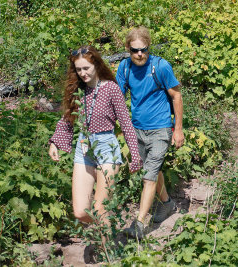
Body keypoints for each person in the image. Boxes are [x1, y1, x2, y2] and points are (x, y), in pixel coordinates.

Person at [48, 45, 142, 228]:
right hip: (84, 149)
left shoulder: (111, 89)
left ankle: (108, 252)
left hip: (107, 148)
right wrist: (55, 143)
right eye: (79, 69)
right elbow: (67, 118)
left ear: (96, 65)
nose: (83, 73)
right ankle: (107, 225)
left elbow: (125, 123)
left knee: (100, 208)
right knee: (81, 212)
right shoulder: (77, 90)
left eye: (86, 68)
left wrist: (135, 155)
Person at [116, 26, 184, 239]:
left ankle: (138, 225)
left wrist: (178, 130)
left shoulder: (160, 67)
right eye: (135, 50)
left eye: (144, 50)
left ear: (149, 47)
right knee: (151, 171)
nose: (140, 54)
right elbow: (117, 98)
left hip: (161, 128)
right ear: (128, 48)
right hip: (137, 130)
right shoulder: (125, 68)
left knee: (148, 177)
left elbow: (177, 96)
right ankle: (167, 205)